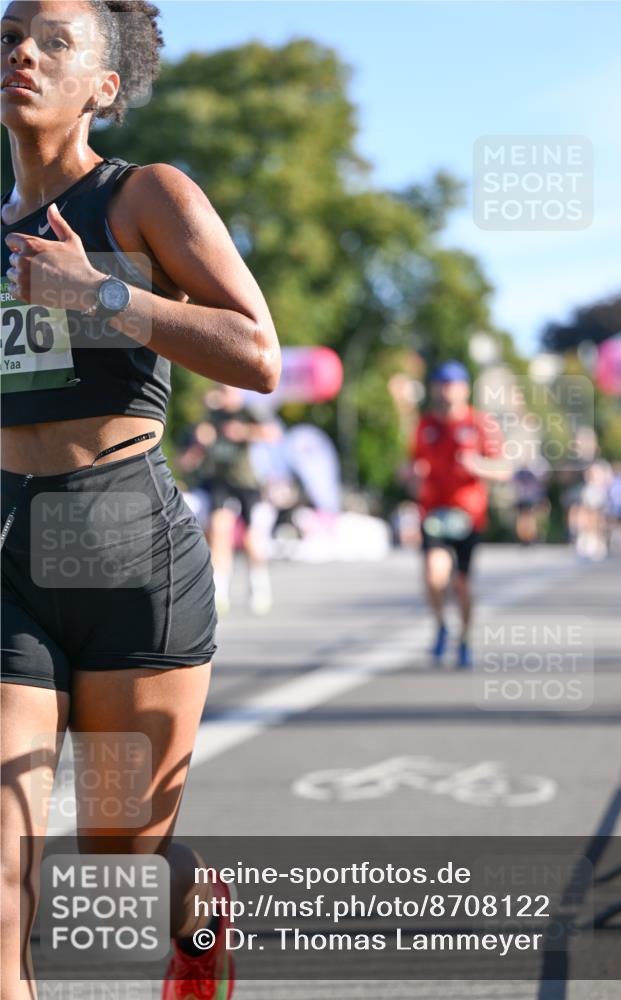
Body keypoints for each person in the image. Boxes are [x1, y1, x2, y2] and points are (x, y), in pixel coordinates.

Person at [0, 3, 280, 998]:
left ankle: (200, 917)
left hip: (128, 547)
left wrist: (99, 292)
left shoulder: (143, 196)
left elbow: (257, 353)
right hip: (11, 552)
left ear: (104, 86)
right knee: (4, 870)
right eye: (7, 36)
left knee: (121, 847)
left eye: (53, 41)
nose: (20, 52)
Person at [410, 361, 508, 667]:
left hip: (468, 515)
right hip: (434, 513)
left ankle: (464, 639)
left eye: (452, 385)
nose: (446, 391)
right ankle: (441, 625)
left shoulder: (480, 423)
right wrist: (412, 474)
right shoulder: (426, 425)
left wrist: (478, 465)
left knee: (461, 584)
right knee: (433, 572)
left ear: (464, 389)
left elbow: (504, 468)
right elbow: (414, 463)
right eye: (441, 384)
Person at [186, 384, 282, 616]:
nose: (224, 395)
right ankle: (220, 591)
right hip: (220, 481)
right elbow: (194, 447)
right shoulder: (212, 415)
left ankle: (258, 585)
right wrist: (201, 440)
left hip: (246, 482)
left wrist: (244, 431)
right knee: (219, 530)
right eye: (221, 390)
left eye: (228, 391)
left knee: (250, 538)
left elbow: (273, 434)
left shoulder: (249, 412)